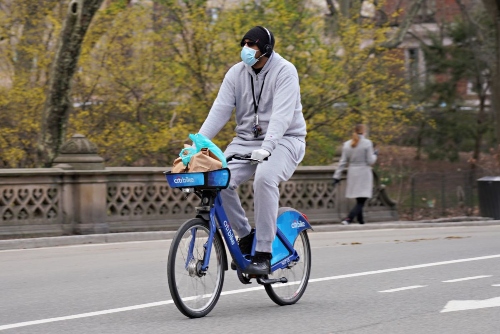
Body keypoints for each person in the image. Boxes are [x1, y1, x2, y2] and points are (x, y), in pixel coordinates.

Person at [197, 26, 307, 275]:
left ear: (266, 50)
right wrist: (198, 145)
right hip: (246, 140)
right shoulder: (236, 74)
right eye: (244, 43)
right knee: (217, 179)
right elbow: (220, 110)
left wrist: (268, 148)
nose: (246, 49)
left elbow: (281, 116)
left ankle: (264, 253)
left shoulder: (285, 72)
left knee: (265, 178)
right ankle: (245, 236)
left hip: (285, 140)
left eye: (252, 45)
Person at [332, 124, 377, 225]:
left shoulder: (347, 144)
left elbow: (342, 162)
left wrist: (336, 176)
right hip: (364, 173)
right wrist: (375, 155)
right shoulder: (367, 143)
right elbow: (370, 161)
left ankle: (361, 221)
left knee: (359, 198)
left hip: (353, 173)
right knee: (362, 200)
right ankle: (349, 218)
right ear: (364, 131)